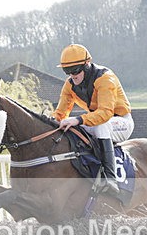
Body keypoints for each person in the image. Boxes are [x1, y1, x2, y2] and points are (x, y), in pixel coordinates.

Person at [54, 44, 134, 194]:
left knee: (99, 126)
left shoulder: (105, 78)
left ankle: (110, 178)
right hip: (98, 121)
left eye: (76, 70)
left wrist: (77, 119)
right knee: (71, 128)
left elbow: (105, 113)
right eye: (67, 71)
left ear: (86, 65)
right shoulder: (69, 85)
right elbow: (60, 114)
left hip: (121, 122)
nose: (73, 75)